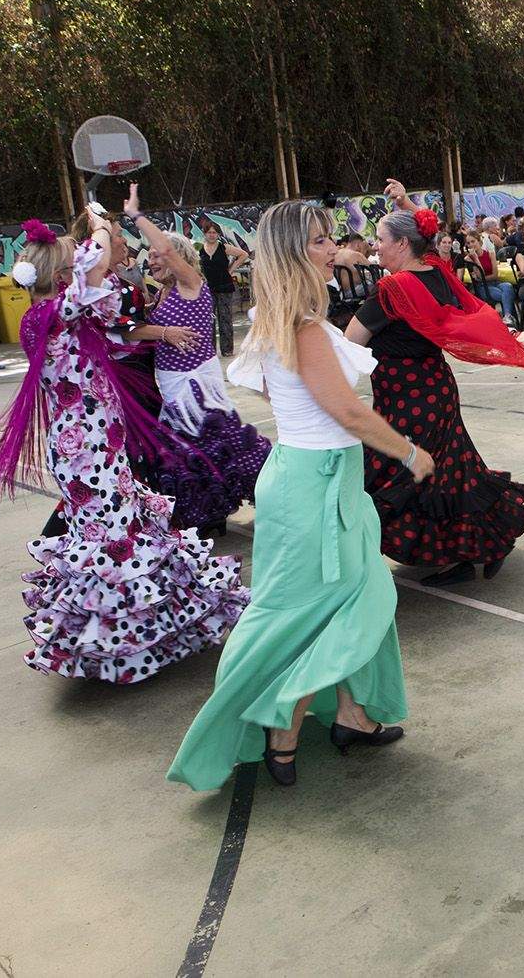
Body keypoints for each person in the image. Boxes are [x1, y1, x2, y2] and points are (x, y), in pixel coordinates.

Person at [168, 201, 433, 791]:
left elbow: (277, 394)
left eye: (328, 237)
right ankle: (284, 724)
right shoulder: (303, 328)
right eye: (317, 240)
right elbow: (347, 412)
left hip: (309, 475)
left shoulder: (278, 319)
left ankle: (351, 714)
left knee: (351, 597)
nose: (330, 247)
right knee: (315, 608)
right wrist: (410, 453)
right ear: (291, 251)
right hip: (315, 483)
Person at [0, 216, 249, 683]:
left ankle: (142, 638)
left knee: (125, 534)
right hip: (85, 451)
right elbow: (96, 266)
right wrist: (102, 228)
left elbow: (103, 292)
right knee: (113, 545)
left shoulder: (53, 314)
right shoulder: (49, 315)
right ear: (61, 276)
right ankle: (119, 649)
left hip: (95, 442)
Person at [346, 188, 524, 587]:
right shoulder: (437, 272)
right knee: (454, 473)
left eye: (381, 239)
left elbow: (350, 342)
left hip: (406, 399)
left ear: (402, 243)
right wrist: (408, 206)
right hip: (435, 389)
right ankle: (479, 548)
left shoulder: (393, 289)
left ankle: (454, 553)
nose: (376, 246)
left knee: (397, 476)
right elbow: (428, 235)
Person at [120, 187, 272, 538]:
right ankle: (209, 511)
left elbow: (166, 249)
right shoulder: (161, 294)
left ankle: (247, 500)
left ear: (179, 258)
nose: (152, 262)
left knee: (217, 442)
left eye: (157, 258)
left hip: (196, 382)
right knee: (188, 451)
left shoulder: (192, 285)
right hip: (173, 385)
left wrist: (137, 217)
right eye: (149, 260)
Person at [198, 220, 249, 357]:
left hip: (225, 287)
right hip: (208, 289)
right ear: (205, 233)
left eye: (214, 232)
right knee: (209, 319)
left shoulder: (224, 247)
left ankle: (227, 349)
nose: (212, 235)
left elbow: (244, 254)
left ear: (218, 234)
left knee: (225, 318)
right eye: (209, 232)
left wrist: (231, 270)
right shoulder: (200, 249)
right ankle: (211, 350)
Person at [460, 231, 515, 320]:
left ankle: (507, 317)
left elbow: (495, 275)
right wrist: (476, 259)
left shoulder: (490, 254)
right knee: (506, 295)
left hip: (495, 282)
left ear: (479, 241)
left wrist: (482, 278)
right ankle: (508, 318)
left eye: (473, 241)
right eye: (468, 243)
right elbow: (480, 276)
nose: (470, 245)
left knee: (508, 286)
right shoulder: (469, 258)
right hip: (482, 287)